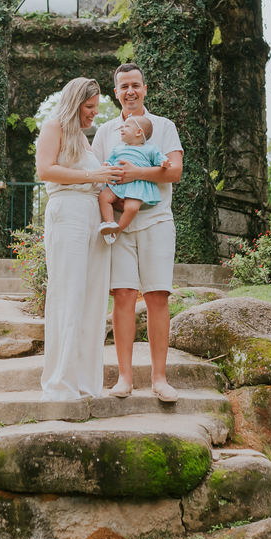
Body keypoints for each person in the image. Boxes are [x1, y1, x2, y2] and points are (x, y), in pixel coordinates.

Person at [91, 63, 183, 403]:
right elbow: (97, 174)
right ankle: (125, 378)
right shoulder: (105, 133)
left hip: (157, 221)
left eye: (136, 85)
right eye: (123, 86)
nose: (130, 91)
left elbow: (174, 172)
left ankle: (159, 378)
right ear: (116, 93)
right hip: (120, 226)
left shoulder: (163, 126)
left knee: (158, 296)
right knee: (124, 296)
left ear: (145, 88)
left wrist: (136, 174)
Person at [35, 77, 123, 401]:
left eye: (96, 108)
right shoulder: (53, 127)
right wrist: (92, 175)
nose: (93, 114)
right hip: (67, 211)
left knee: (93, 301)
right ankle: (61, 385)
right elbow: (45, 170)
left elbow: (96, 180)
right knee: (68, 296)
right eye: (89, 107)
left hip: (92, 216)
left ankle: (85, 384)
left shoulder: (85, 141)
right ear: (75, 103)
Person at [96, 114, 169, 244]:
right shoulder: (117, 149)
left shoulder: (150, 149)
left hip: (137, 185)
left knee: (132, 208)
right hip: (117, 184)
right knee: (103, 197)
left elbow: (160, 158)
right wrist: (105, 164)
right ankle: (110, 222)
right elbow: (109, 160)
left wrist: (164, 163)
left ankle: (116, 232)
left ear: (139, 132)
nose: (122, 129)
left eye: (127, 126)